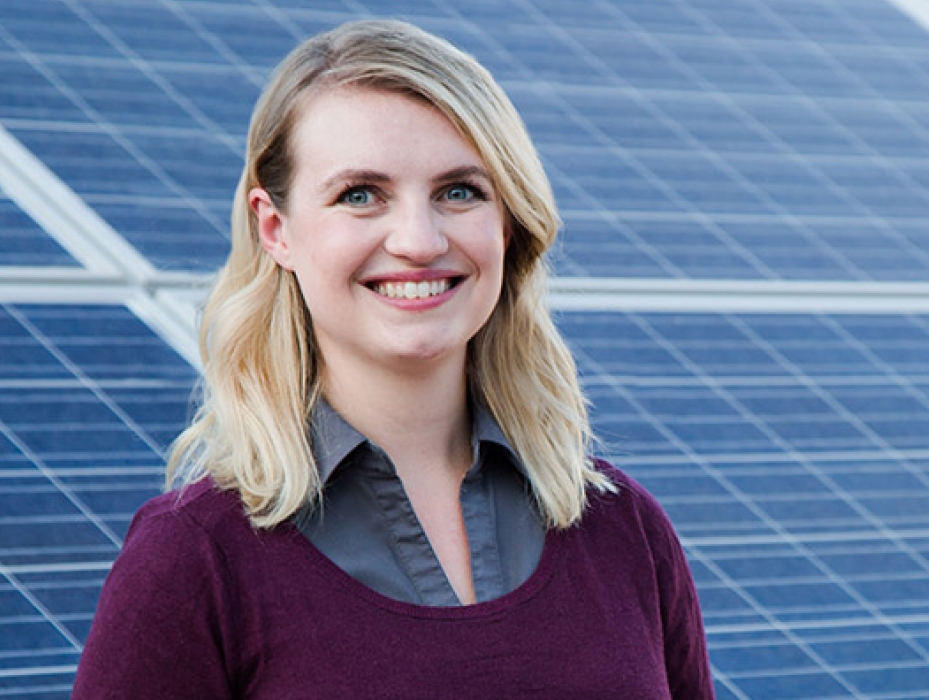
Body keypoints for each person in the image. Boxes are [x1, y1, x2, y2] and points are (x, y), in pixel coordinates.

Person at [73, 18, 713, 699]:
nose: (417, 239)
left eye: (459, 191)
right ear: (275, 229)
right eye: (360, 195)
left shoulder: (625, 534)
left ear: (508, 221)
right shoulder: (194, 562)